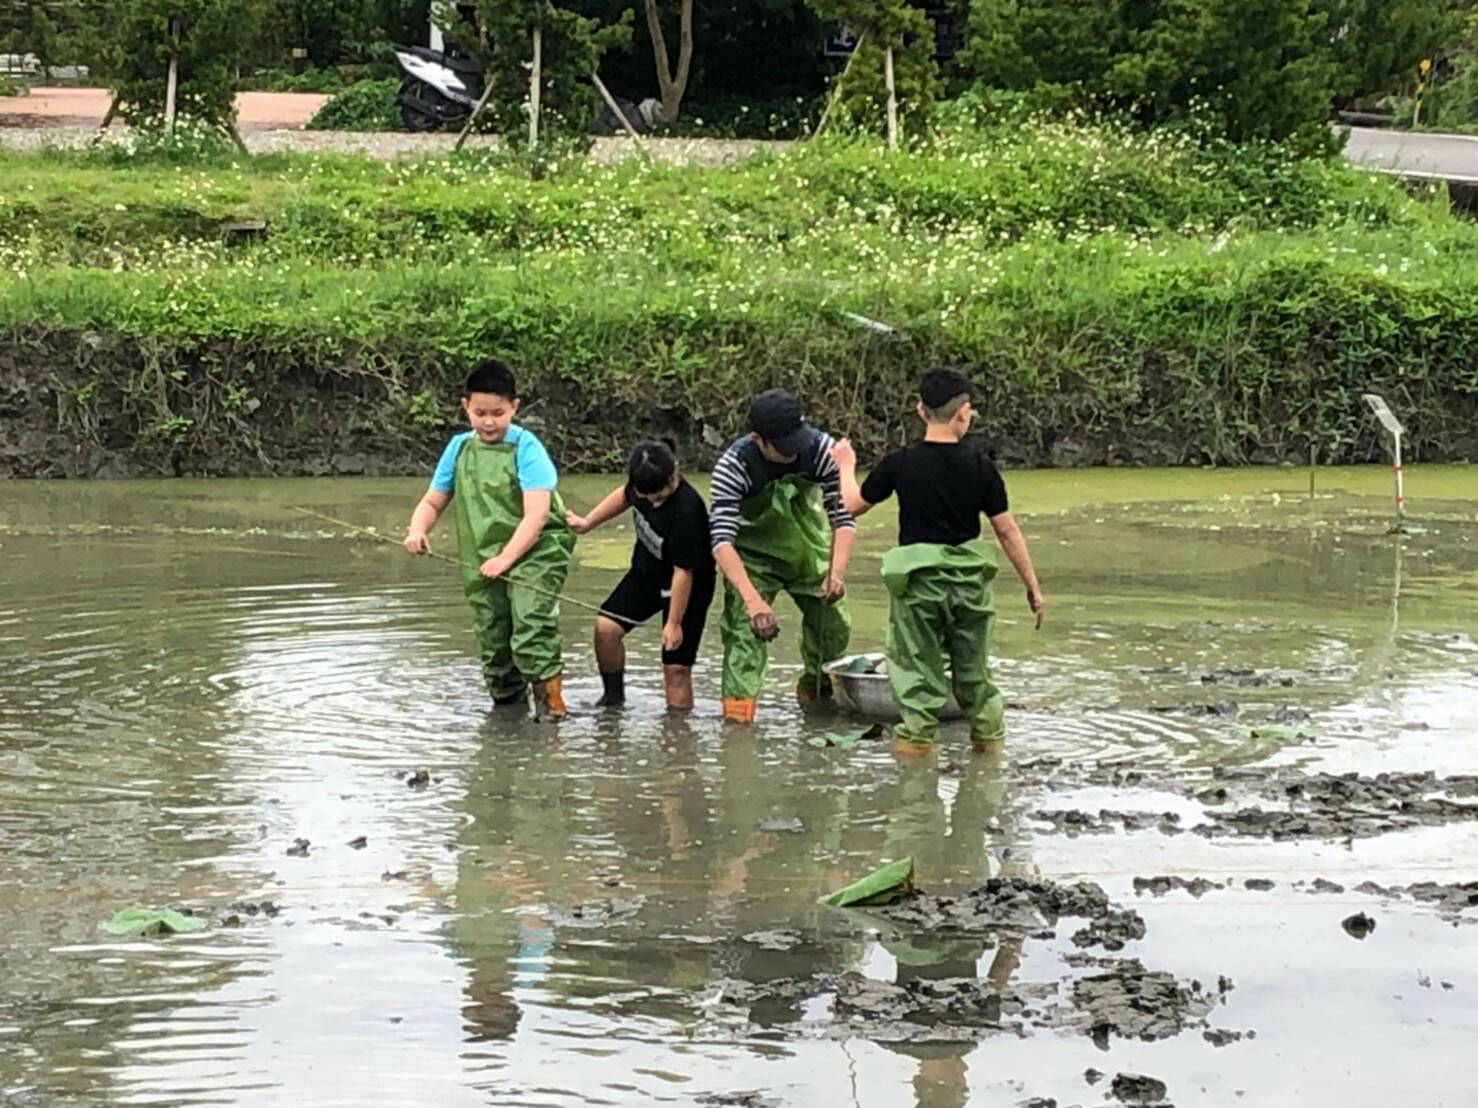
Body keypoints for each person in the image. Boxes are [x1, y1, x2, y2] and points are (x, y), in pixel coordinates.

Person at [831, 367, 1044, 753]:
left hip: (918, 589)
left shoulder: (900, 463)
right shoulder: (982, 467)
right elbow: (1007, 531)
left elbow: (851, 505)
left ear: (920, 411)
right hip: (969, 590)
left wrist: (845, 464)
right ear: (964, 413)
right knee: (976, 678)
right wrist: (1033, 587)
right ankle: (989, 763)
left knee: (914, 679)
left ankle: (916, 792)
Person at [403, 358, 575, 720]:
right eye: (480, 413)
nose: (489, 421)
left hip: (536, 551)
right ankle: (507, 720)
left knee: (530, 626)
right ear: (466, 407)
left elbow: (537, 514)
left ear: (514, 406)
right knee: (494, 639)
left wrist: (508, 558)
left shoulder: (528, 449)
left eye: (498, 412)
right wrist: (418, 529)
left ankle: (552, 715)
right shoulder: (459, 448)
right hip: (482, 554)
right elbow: (433, 500)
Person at [709, 388, 855, 723]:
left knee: (833, 625)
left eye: (796, 443)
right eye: (783, 448)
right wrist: (752, 600)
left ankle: (816, 697)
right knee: (745, 636)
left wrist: (837, 571)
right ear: (758, 439)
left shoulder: (820, 450)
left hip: (809, 550)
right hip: (753, 560)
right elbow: (720, 540)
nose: (793, 454)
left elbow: (843, 516)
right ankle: (737, 722)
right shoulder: (733, 467)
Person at [564, 440, 716, 711]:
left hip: (687, 586)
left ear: (674, 474)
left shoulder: (688, 511)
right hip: (646, 574)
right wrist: (587, 523)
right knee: (606, 629)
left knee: (675, 667)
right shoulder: (640, 486)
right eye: (646, 497)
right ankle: (613, 701)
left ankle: (678, 736)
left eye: (659, 495)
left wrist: (674, 623)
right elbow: (623, 497)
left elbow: (684, 573)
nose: (653, 502)